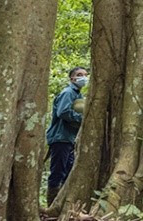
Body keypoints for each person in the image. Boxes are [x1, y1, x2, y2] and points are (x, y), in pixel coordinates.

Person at [45, 67, 87, 205]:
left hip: (69, 139)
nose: (83, 78)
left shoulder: (78, 95)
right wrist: (82, 118)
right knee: (58, 172)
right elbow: (63, 112)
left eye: (85, 75)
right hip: (60, 138)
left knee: (68, 172)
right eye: (79, 75)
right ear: (72, 78)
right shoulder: (68, 93)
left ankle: (62, 203)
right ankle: (51, 204)